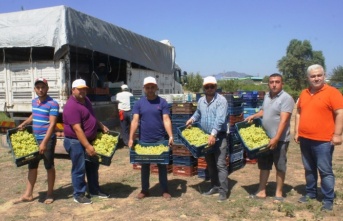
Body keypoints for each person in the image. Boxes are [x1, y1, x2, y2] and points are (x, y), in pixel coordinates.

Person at [294, 64, 343, 211]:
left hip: (323, 141)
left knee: (325, 170)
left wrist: (338, 134)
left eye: (319, 75)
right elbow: (298, 112)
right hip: (305, 138)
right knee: (309, 169)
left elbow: (340, 113)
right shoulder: (304, 93)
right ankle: (311, 193)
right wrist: (297, 132)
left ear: (324, 75)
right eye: (313, 76)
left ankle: (328, 198)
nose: (316, 78)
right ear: (308, 78)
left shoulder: (333, 93)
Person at [245, 73, 294, 203]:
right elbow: (264, 111)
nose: (274, 84)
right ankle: (261, 191)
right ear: (268, 84)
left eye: (277, 82)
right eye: (271, 82)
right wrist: (254, 116)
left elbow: (284, 121)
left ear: (282, 84)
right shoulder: (267, 96)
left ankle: (278, 193)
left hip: (280, 140)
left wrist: (276, 138)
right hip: (265, 139)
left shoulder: (286, 98)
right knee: (264, 165)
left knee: (280, 165)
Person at [63, 79, 110, 204]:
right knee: (79, 168)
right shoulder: (71, 106)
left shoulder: (86, 100)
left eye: (84, 88)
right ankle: (78, 194)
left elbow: (91, 116)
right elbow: (77, 129)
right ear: (73, 90)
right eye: (80, 89)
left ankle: (94, 190)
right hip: (75, 141)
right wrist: (88, 146)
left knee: (92, 166)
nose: (83, 91)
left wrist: (100, 125)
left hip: (88, 139)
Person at [15, 78, 59, 204]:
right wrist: (24, 123)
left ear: (47, 88)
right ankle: (28, 194)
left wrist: (44, 142)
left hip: (47, 140)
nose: (40, 89)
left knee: (49, 166)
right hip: (34, 140)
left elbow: (52, 124)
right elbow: (33, 115)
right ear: (35, 89)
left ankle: (50, 194)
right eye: (38, 87)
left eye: (43, 87)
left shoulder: (53, 103)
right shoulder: (34, 102)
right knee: (32, 166)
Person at [128, 76, 174, 200]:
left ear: (156, 88)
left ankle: (164, 190)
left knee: (161, 165)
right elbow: (135, 121)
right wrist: (131, 138)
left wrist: (170, 135)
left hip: (159, 140)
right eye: (147, 87)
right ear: (144, 89)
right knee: (145, 166)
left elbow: (166, 119)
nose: (150, 89)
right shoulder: (139, 103)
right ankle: (144, 190)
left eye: (152, 87)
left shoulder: (162, 102)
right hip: (144, 140)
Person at [185, 76, 229, 203]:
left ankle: (223, 191)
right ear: (204, 88)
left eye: (212, 86)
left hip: (219, 137)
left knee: (220, 164)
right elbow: (198, 113)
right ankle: (214, 186)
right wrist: (192, 119)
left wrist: (213, 134)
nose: (209, 89)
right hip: (205, 137)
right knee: (210, 164)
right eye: (207, 87)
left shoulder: (222, 101)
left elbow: (220, 119)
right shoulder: (201, 101)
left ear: (216, 87)